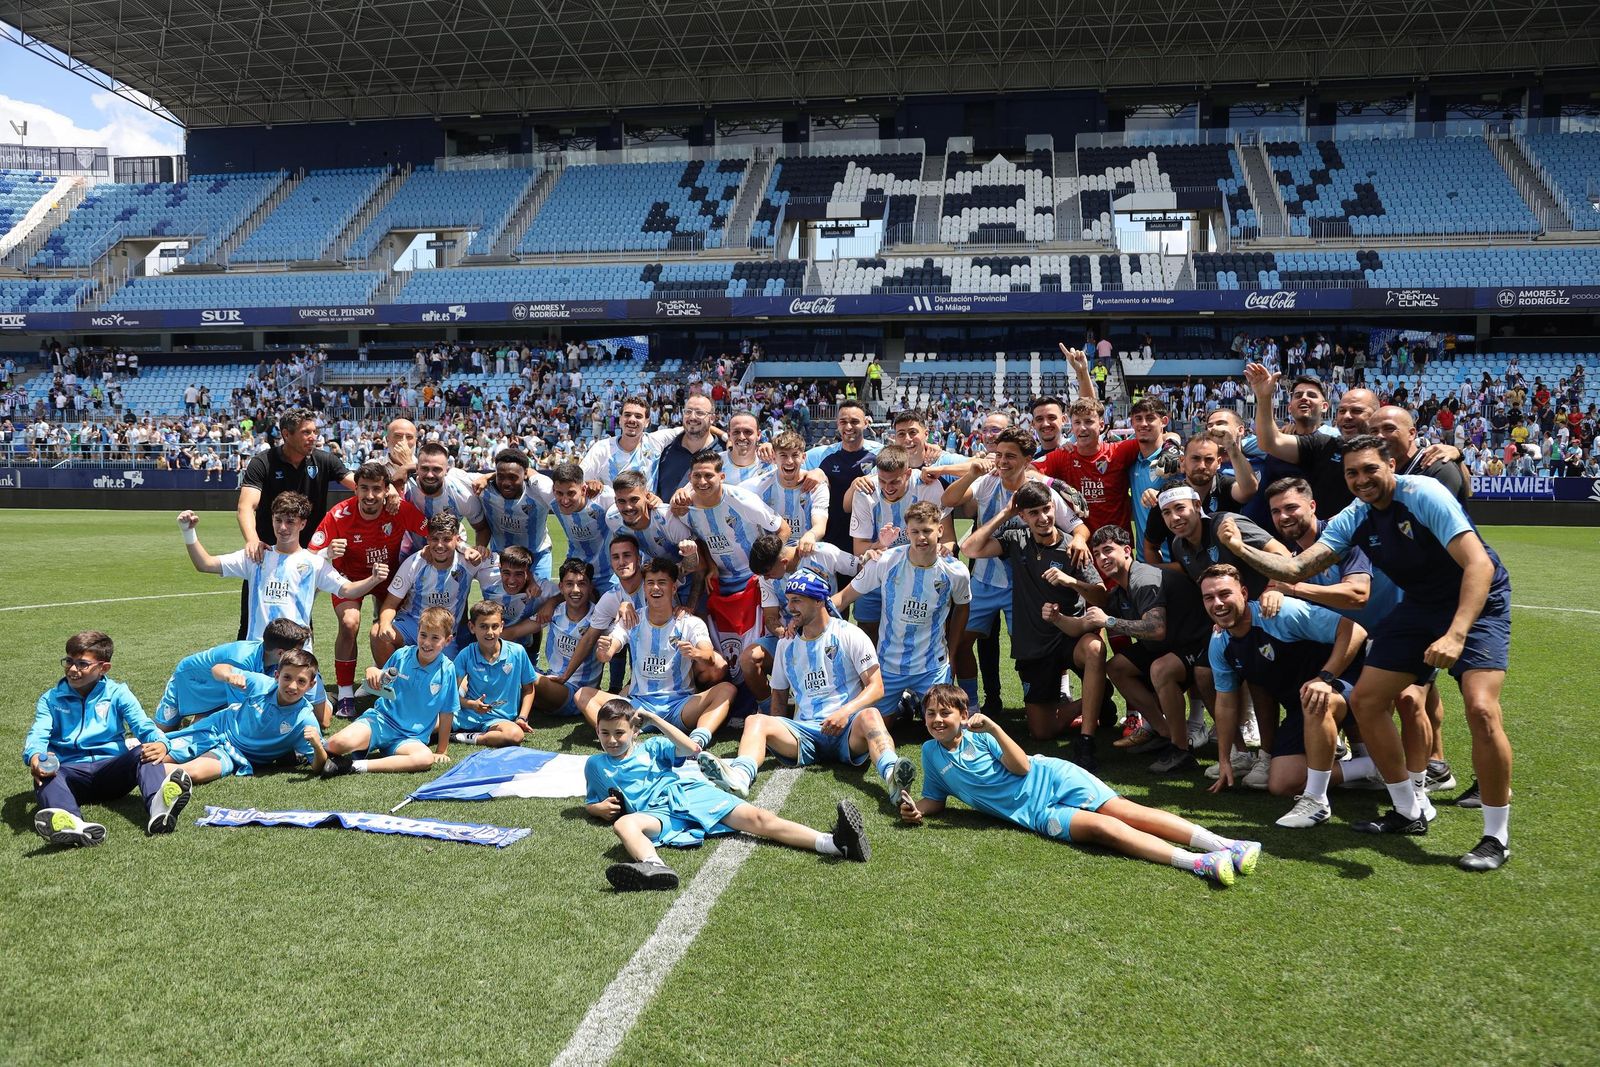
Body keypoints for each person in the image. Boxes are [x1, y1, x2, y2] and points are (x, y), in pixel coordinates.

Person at [1217, 434, 1515, 871]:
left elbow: (1479, 565)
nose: (1361, 480)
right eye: (1352, 473)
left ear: (1391, 465)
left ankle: (1496, 837)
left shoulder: (1424, 494)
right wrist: (1241, 549)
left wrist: (1456, 634)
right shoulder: (1355, 516)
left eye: (1370, 469)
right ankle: (1408, 810)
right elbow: (1298, 567)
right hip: (1420, 609)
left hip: (1479, 602)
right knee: (1366, 700)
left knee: (1482, 708)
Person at [898, 685, 1258, 887]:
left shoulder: (984, 735)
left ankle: (1228, 844)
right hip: (1036, 813)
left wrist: (994, 728)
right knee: (1105, 829)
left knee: (1129, 812)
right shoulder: (930, 752)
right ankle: (1199, 862)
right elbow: (935, 799)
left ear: (963, 716)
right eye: (931, 713)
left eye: (945, 713)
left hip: (1052, 776)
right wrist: (917, 808)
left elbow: (1022, 768)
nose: (937, 720)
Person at [585, 698, 870, 892]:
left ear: (634, 732)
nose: (611, 740)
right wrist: (598, 809)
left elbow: (690, 749)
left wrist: (655, 720)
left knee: (759, 818)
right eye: (604, 733)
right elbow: (592, 802)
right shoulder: (595, 765)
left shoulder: (653, 746)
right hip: (656, 815)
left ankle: (835, 843)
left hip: (689, 794)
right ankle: (654, 868)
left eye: (619, 733)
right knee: (624, 824)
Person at [696, 570, 911, 802]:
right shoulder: (785, 645)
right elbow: (778, 697)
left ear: (819, 600)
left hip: (847, 730)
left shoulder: (850, 634)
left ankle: (892, 775)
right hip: (805, 733)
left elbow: (877, 687)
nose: (789, 607)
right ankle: (740, 776)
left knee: (870, 715)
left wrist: (845, 712)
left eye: (797, 600)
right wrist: (775, 730)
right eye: (788, 600)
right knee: (755, 720)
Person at [1198, 565, 1378, 815]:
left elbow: (1355, 631)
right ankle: (1370, 767)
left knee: (1317, 700)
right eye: (1209, 598)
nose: (1217, 603)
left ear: (1244, 592)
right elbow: (1226, 704)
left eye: (1225, 594)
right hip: (1302, 706)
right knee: (1282, 783)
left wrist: (1324, 677)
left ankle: (1376, 768)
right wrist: (1225, 760)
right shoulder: (1219, 642)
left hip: (1347, 683)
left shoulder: (1279, 613)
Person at [962, 481, 1104, 760]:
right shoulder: (1017, 539)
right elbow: (970, 549)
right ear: (1023, 516)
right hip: (1035, 644)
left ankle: (1087, 739)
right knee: (1041, 732)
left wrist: (1072, 581)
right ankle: (1095, 701)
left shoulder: (1073, 547)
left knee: (1095, 649)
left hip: (1068, 635)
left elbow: (1101, 597)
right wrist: (1005, 514)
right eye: (1034, 513)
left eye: (1047, 509)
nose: (1044, 518)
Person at [941, 426, 1079, 712]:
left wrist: (1079, 540)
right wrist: (971, 474)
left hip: (1025, 586)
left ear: (1028, 460)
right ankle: (973, 704)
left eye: (1010, 456)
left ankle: (1054, 695)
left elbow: (1077, 526)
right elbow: (949, 501)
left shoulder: (1041, 491)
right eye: (999, 454)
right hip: (984, 580)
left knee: (1036, 647)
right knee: (961, 641)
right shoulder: (987, 483)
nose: (1002, 461)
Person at [26, 630, 191, 846]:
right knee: (47, 769)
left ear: (103, 668)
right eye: (68, 661)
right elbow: (38, 733)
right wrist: (35, 756)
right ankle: (71, 823)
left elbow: (144, 726)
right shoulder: (50, 699)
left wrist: (162, 743)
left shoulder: (118, 693)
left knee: (147, 750)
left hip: (112, 773)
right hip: (70, 774)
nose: (73, 669)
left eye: (82, 664)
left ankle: (159, 807)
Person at [1080, 525, 1214, 773]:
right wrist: (1065, 597)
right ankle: (1164, 733)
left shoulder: (1143, 579)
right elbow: (1095, 613)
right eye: (1097, 553)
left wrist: (1108, 621)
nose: (1102, 558)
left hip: (1198, 642)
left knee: (1161, 669)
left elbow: (1156, 629)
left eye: (1108, 550)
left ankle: (1181, 749)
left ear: (1127, 551)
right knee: (1117, 667)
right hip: (1169, 644)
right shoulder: (1121, 588)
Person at [179, 496, 388, 643]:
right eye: (278, 520)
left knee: (320, 708)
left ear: (303, 524)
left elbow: (347, 590)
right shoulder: (256, 557)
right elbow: (204, 564)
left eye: (290, 521)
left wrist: (374, 579)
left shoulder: (313, 562)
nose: (283, 528)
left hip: (298, 657)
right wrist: (189, 532)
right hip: (258, 654)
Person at [835, 501, 970, 726]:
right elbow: (845, 596)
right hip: (888, 664)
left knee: (943, 728)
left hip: (932, 665)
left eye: (927, 531)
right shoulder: (886, 561)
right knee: (874, 727)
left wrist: (952, 654)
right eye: (914, 532)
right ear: (907, 532)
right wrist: (807, 615)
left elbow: (962, 608)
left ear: (940, 530)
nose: (921, 538)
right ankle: (905, 704)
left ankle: (922, 701)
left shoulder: (956, 572)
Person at [308, 461, 427, 716]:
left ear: (387, 491)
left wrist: (463, 549)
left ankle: (393, 684)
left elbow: (433, 532)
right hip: (349, 578)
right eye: (364, 488)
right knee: (350, 623)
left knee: (389, 630)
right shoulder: (339, 515)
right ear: (356, 490)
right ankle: (345, 692)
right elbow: (310, 555)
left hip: (388, 578)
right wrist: (327, 553)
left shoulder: (399, 509)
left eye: (376, 489)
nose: (370, 495)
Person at [577, 558, 735, 745]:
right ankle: (620, 738)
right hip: (637, 707)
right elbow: (608, 651)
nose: (655, 588)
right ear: (644, 588)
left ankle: (697, 742)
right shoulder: (632, 619)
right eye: (650, 583)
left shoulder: (690, 623)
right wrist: (604, 652)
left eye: (662, 583)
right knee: (582, 695)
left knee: (727, 690)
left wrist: (696, 653)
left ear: (673, 588)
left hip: (679, 705)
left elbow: (709, 655)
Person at [235, 407, 354, 639]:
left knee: (299, 621)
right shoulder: (263, 463)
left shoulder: (323, 460)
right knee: (250, 622)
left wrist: (387, 487)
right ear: (286, 434)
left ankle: (298, 672)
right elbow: (245, 506)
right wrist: (252, 541)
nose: (313, 437)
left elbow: (360, 484)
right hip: (266, 554)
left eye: (315, 431)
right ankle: (247, 673)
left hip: (303, 557)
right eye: (305, 432)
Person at [670, 449, 788, 671]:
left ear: (721, 477)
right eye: (697, 476)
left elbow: (783, 529)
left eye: (708, 476)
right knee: (728, 650)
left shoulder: (742, 500)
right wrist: (712, 566)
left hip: (754, 581)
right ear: (689, 478)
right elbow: (700, 539)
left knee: (756, 651)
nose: (702, 481)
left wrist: (765, 569)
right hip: (721, 585)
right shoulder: (685, 509)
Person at [323, 605, 459, 776]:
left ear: (447, 641)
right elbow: (382, 682)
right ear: (417, 632)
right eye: (423, 635)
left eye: (435, 638)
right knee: (338, 743)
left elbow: (447, 712)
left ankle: (354, 765)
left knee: (424, 758)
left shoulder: (447, 669)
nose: (426, 643)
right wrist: (372, 672)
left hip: (410, 738)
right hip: (381, 721)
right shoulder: (401, 655)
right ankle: (306, 752)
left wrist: (442, 750)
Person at [162, 650, 328, 782]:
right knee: (162, 754)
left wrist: (317, 746)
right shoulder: (261, 684)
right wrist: (228, 676)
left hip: (236, 755)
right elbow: (218, 667)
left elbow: (317, 766)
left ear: (311, 685)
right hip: (216, 727)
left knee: (193, 773)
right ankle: (139, 765)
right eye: (287, 677)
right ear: (277, 676)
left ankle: (142, 771)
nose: (292, 686)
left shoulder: (305, 719)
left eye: (301, 681)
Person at [844, 444, 952, 641]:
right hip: (876, 574)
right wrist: (880, 545)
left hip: (918, 573)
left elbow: (944, 536)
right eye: (882, 481)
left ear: (908, 473)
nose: (887, 488)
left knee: (919, 637)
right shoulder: (865, 490)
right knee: (868, 635)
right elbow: (859, 548)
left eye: (895, 481)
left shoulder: (927, 486)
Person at [1245, 363, 1379, 516]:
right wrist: (1263, 397)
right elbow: (1269, 441)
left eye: (1357, 411)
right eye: (1342, 411)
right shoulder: (1324, 444)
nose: (1347, 416)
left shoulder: (1333, 437)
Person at [743, 533, 859, 704]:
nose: (765, 578)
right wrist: (785, 633)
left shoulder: (823, 553)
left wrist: (840, 600)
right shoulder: (766, 576)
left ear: (782, 562)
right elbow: (770, 618)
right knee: (748, 660)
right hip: (790, 640)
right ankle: (770, 710)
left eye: (767, 573)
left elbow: (861, 569)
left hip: (828, 637)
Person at [153, 619, 327, 730]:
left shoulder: (271, 659)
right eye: (297, 651)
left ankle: (200, 717)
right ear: (281, 653)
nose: (300, 656)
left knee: (200, 728)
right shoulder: (242, 661)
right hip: (188, 681)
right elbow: (241, 712)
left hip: (220, 692)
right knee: (161, 733)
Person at [372, 512, 483, 665]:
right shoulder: (414, 563)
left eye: (446, 539)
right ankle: (390, 684)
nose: (439, 545)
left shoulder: (468, 562)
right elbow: (390, 604)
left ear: (457, 540)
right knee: (377, 632)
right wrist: (384, 624)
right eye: (434, 539)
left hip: (445, 632)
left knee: (450, 680)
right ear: (427, 539)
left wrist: (528, 580)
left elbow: (497, 572)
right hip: (413, 624)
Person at [1153, 479, 1287, 599]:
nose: (1174, 517)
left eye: (1180, 508)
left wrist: (1273, 589)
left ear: (1197, 505)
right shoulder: (1178, 546)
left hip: (1268, 609)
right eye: (1167, 513)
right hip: (1233, 615)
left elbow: (1282, 552)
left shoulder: (1227, 524)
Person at [1138, 429, 1256, 564]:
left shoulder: (1226, 487)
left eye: (1209, 460)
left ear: (1218, 463)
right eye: (1195, 458)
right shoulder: (1167, 497)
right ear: (1182, 461)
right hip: (1185, 581)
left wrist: (1231, 447)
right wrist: (1166, 577)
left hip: (1229, 579)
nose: (1202, 466)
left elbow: (1248, 490)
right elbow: (1151, 546)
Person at [450, 601, 537, 746]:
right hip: (465, 714)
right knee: (429, 726)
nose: (490, 632)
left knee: (515, 735)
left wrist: (522, 718)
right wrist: (471, 704)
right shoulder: (466, 654)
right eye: (483, 626)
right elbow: (451, 695)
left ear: (502, 626)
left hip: (499, 720)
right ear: (472, 627)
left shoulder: (517, 652)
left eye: (494, 626)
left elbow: (529, 690)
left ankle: (468, 737)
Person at [803, 400, 882, 558]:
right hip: (833, 540)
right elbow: (790, 460)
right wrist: (769, 448)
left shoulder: (878, 455)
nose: (848, 427)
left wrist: (931, 449)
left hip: (867, 540)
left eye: (854, 422)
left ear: (866, 423)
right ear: (837, 424)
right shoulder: (824, 457)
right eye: (843, 422)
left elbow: (906, 458)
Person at [527, 558, 603, 717]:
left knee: (522, 673)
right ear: (561, 587)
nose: (576, 590)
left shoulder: (600, 617)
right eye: (569, 584)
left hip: (576, 692)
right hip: (551, 679)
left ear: (590, 587)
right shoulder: (555, 611)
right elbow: (516, 632)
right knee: (510, 663)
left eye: (582, 584)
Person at [479, 448, 557, 578]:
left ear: (525, 473)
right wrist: (487, 476)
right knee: (498, 598)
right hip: (500, 557)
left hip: (536, 557)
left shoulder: (539, 492)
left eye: (513, 477)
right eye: (501, 477)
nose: (506, 483)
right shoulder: (485, 489)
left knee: (539, 597)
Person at [759, 429, 829, 553]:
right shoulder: (760, 486)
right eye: (783, 455)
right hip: (773, 555)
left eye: (795, 455)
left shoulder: (816, 487)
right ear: (774, 458)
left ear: (803, 457)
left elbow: (820, 524)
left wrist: (811, 535)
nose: (789, 461)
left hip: (806, 552)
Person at [550, 461, 618, 590]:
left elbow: (633, 497)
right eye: (559, 493)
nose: (564, 500)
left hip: (607, 576)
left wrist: (653, 499)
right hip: (575, 575)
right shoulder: (550, 498)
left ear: (583, 489)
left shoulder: (604, 498)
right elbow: (530, 475)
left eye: (571, 493)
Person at [721, 411, 775, 487]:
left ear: (758, 435)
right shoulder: (715, 464)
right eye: (736, 432)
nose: (741, 437)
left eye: (748, 432)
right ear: (729, 435)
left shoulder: (771, 463)